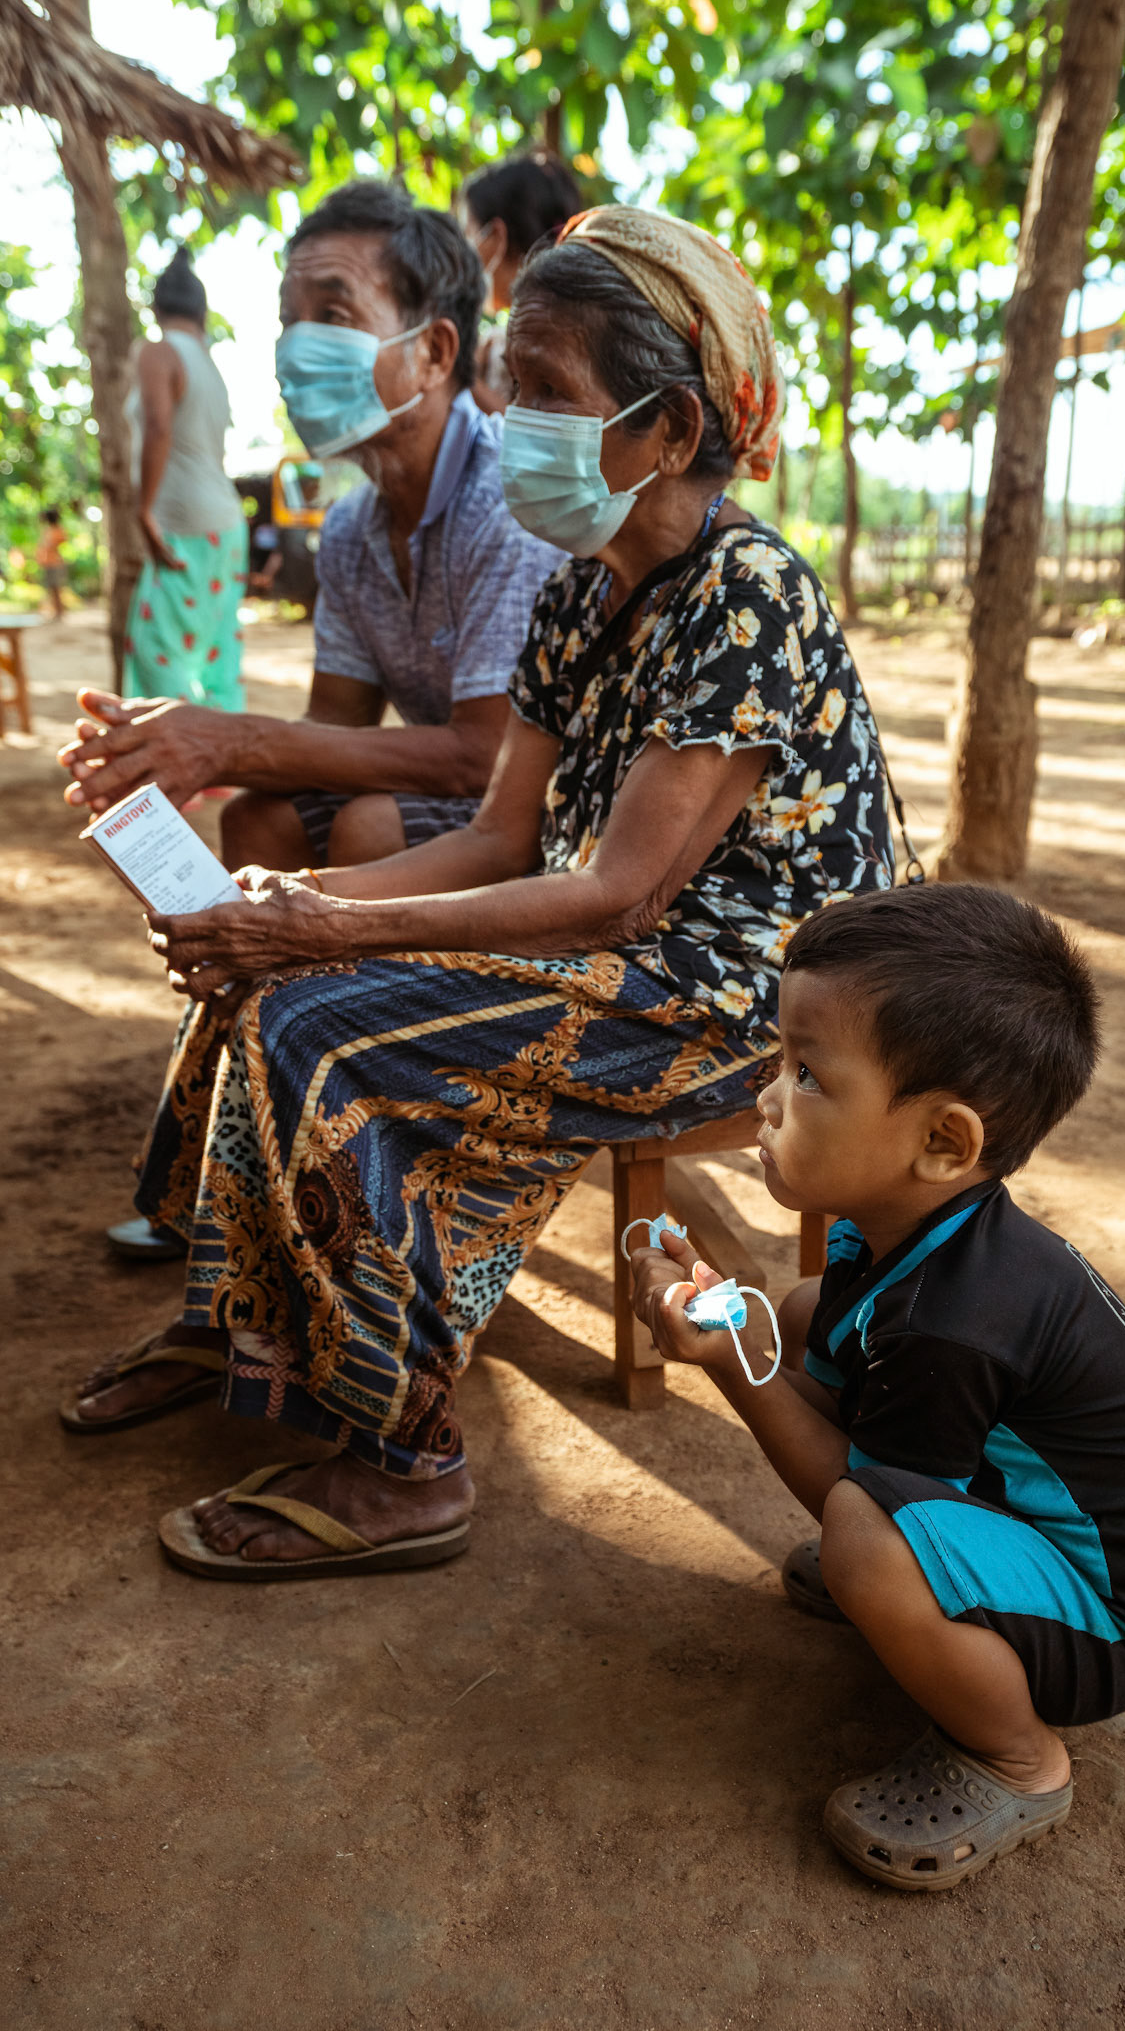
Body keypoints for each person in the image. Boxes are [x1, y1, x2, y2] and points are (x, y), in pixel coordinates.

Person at [59, 205, 903, 1586]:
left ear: (669, 432)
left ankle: (404, 1467)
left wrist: (331, 924)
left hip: (762, 1002)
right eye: (512, 387)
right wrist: (296, 894)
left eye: (549, 395)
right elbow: (500, 836)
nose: (512, 419)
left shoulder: (746, 597)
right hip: (637, 952)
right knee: (256, 961)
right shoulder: (582, 596)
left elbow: (620, 896)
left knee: (313, 1022)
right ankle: (245, 1325)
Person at [632, 883, 1125, 1893]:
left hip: (1106, 1620)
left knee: (864, 1535)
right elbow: (832, 1384)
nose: (769, 1096)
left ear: (941, 1142)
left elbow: (843, 1491)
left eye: (809, 1074)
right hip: (1018, 1517)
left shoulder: (958, 1320)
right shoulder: (917, 1234)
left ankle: (1019, 1760)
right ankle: (937, 1586)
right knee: (808, 1311)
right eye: (782, 1057)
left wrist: (728, 1359)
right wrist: (747, 1320)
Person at [60, 183, 560, 876]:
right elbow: (336, 727)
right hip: (470, 794)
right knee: (257, 821)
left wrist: (229, 743)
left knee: (370, 830)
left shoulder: (506, 498)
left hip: (564, 814)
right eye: (288, 322)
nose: (297, 349)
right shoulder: (354, 527)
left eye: (332, 313)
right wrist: (169, 743)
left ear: (436, 351)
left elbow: (484, 757)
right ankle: (260, 986)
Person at [122, 247, 248, 708]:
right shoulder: (211, 366)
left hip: (184, 525)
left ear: (156, 310)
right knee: (219, 659)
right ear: (202, 312)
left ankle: (172, 767)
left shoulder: (158, 352)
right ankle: (223, 772)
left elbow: (158, 427)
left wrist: (144, 510)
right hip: (227, 527)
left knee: (157, 653)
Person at [459, 149, 583, 415]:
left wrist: (460, 376)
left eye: (468, 235)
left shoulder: (556, 339)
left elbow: (540, 436)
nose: (466, 253)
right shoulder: (494, 342)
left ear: (495, 238)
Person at [36, 506, 68, 619]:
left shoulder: (57, 530)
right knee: (50, 588)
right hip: (47, 563)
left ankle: (59, 612)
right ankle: (54, 611)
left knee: (56, 588)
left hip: (55, 563)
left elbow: (58, 542)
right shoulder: (47, 530)